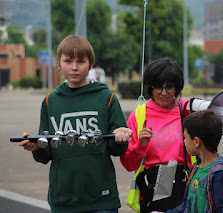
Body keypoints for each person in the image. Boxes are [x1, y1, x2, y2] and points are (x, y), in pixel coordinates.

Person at [19, 35, 133, 213]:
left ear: (90, 63)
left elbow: (117, 150)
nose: (74, 67)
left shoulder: (106, 97)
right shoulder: (50, 102)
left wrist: (121, 138)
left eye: (80, 61)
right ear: (58, 62)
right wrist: (36, 147)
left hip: (102, 199)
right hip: (63, 199)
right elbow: (46, 153)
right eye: (68, 61)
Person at [120, 57, 191, 213]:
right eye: (158, 87)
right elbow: (128, 164)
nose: (164, 93)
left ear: (177, 87)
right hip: (153, 185)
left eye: (169, 87)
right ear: (149, 88)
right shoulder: (139, 115)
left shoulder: (186, 110)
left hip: (185, 184)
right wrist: (141, 145)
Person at [167, 110, 223, 213]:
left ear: (196, 142)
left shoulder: (219, 174)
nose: (183, 141)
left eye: (185, 137)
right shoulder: (195, 168)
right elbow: (186, 205)